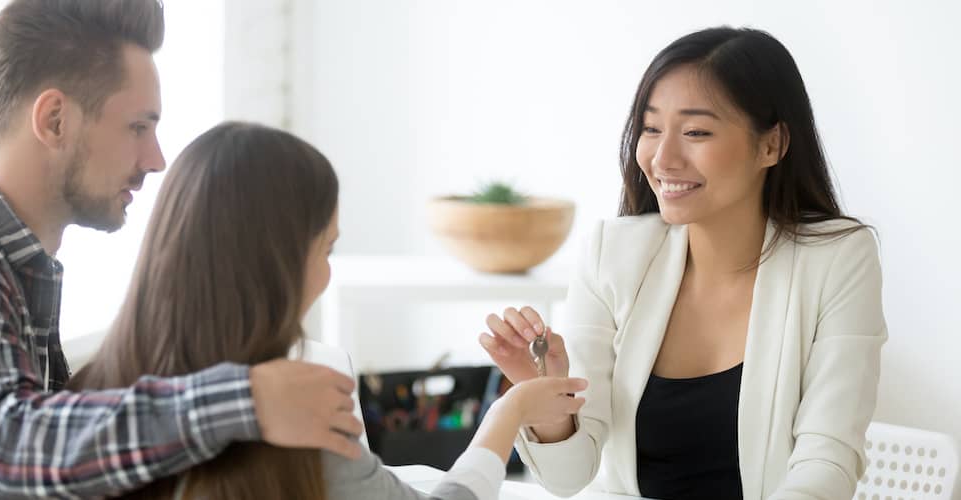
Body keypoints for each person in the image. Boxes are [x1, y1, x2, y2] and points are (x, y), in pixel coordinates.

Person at [0, 1, 362, 498]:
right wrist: (249, 400)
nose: (157, 158)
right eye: (138, 127)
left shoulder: (8, 268)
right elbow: (9, 447)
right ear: (54, 119)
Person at [69, 121, 589, 500]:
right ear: (281, 266)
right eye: (327, 250)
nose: (327, 274)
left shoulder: (84, 394)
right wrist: (510, 410)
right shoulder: (300, 415)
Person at [479, 27, 885, 500]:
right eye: (651, 129)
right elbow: (571, 477)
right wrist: (550, 400)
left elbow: (826, 465)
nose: (663, 157)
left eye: (695, 132)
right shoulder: (612, 253)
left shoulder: (838, 258)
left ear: (771, 145)